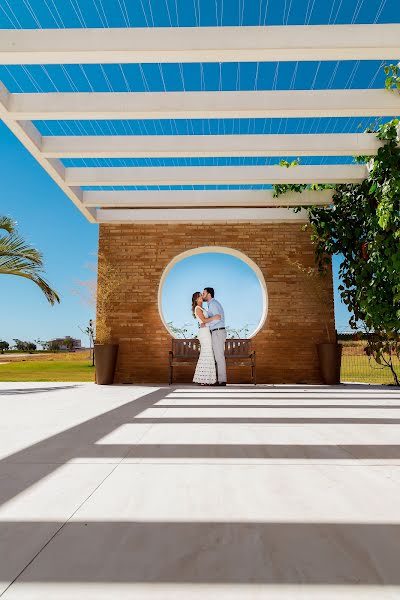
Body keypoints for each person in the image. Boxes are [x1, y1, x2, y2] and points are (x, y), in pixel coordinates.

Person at [192, 292, 220, 386]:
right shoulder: (197, 308)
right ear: (196, 299)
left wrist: (208, 321)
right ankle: (203, 379)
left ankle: (207, 379)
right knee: (206, 353)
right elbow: (203, 320)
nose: (201, 296)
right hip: (204, 333)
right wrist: (214, 318)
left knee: (208, 353)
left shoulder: (203, 308)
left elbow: (205, 322)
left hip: (206, 331)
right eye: (199, 296)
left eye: (201, 295)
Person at [202, 287, 227, 386]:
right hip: (217, 332)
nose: (202, 295)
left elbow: (217, 319)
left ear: (209, 294)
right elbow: (215, 318)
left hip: (217, 332)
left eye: (204, 293)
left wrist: (206, 324)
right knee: (217, 356)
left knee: (219, 357)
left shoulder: (213, 304)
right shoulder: (211, 304)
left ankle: (222, 381)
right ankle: (220, 379)